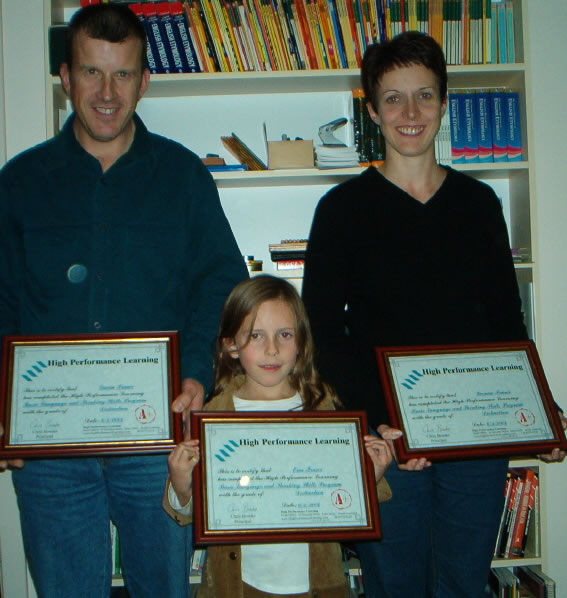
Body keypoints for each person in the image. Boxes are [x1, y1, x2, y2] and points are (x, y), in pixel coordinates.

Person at [302, 31, 566, 598]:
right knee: (393, 583)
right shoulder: (342, 210)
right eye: (393, 98)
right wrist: (378, 422)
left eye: (425, 95)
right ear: (371, 110)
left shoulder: (478, 204)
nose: (410, 112)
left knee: (465, 584)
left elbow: (505, 322)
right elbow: (323, 331)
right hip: (388, 441)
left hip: (474, 441)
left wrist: (539, 411)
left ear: (445, 104)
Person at [0, 4, 247, 597]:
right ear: (65, 77)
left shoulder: (185, 177)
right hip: (51, 448)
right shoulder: (20, 181)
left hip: (156, 441)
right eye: (91, 72)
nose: (106, 93)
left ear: (144, 81)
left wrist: (194, 374)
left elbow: (220, 284)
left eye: (122, 75)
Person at [162, 275, 394, 598]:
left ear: (301, 343)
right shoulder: (215, 415)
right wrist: (180, 485)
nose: (272, 349)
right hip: (238, 586)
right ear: (230, 345)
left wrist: (370, 476)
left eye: (284, 334)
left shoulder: (323, 409)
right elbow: (187, 513)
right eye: (256, 335)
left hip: (316, 584)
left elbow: (344, 501)